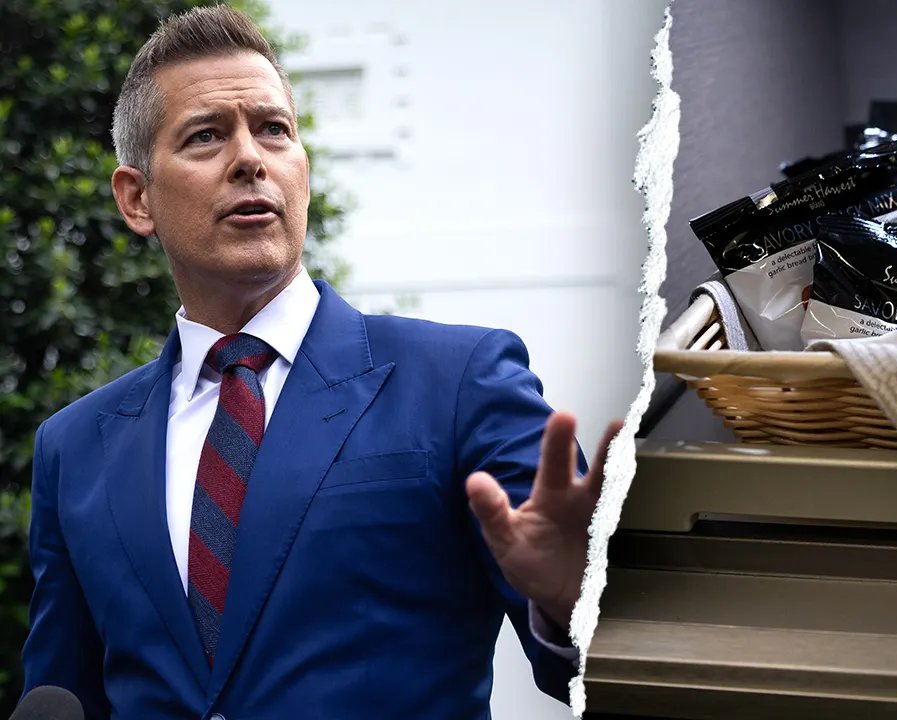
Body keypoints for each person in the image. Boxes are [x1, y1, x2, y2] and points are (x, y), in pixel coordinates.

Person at [20, 5, 622, 719]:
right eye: (206, 135)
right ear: (136, 198)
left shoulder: (459, 380)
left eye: (274, 129)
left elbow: (609, 665)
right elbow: (60, 696)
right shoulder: (75, 448)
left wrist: (574, 602)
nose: (250, 158)